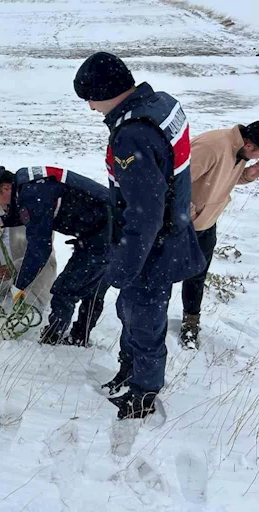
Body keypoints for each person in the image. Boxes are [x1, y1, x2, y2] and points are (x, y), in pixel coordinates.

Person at [74, 51, 206, 420]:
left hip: (152, 248)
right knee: (130, 311)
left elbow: (144, 213)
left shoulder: (132, 135)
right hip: (170, 233)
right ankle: (129, 369)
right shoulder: (162, 104)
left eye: (90, 98)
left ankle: (143, 394)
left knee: (144, 320)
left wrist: (125, 267)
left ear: (106, 91)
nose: (90, 107)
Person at [0, 165, 111, 347]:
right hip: (105, 227)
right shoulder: (25, 183)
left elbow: (39, 249)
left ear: (7, 187)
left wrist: (19, 285)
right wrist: (4, 220)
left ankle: (53, 341)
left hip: (107, 233)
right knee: (92, 286)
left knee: (66, 289)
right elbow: (29, 213)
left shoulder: (33, 193)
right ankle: (79, 337)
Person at [180, 122, 259, 348]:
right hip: (182, 226)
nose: (254, 160)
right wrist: (189, 212)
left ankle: (190, 323)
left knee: (197, 276)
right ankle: (151, 327)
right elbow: (174, 180)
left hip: (207, 224)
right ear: (250, 144)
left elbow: (222, 179)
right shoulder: (212, 146)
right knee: (163, 277)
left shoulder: (240, 150)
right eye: (256, 157)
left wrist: (250, 174)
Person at [0, 167, 56, 317]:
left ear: (7, 188)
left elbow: (39, 251)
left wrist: (13, 269)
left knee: (28, 313)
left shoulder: (35, 206)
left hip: (30, 266)